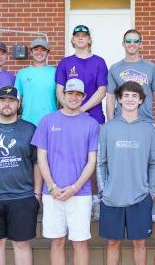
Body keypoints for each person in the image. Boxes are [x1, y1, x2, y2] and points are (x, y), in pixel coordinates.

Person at [31, 78, 99, 265]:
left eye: (78, 94)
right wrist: (52, 187)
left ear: (83, 97)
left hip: (80, 193)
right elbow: (41, 158)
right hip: (53, 193)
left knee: (80, 243)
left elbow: (91, 161)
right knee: (57, 241)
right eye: (70, 93)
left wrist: (75, 188)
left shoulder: (91, 124)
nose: (74, 98)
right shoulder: (47, 121)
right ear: (62, 95)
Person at [98, 81, 155, 265]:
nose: (130, 99)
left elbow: (154, 163)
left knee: (140, 243)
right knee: (113, 243)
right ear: (119, 99)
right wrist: (103, 191)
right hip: (112, 197)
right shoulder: (107, 128)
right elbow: (101, 163)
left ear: (141, 100)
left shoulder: (149, 128)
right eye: (126, 95)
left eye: (134, 95)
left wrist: (151, 193)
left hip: (140, 197)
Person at [55, 24, 108, 219]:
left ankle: (99, 200)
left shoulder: (99, 62)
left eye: (84, 36)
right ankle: (75, 196)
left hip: (94, 118)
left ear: (89, 40)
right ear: (72, 39)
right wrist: (71, 110)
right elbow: (59, 91)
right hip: (69, 120)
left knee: (97, 161)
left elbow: (102, 91)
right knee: (75, 160)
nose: (80, 38)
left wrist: (81, 109)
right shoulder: (65, 63)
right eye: (77, 35)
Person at [0, 86, 41, 265]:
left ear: (18, 104)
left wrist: (37, 194)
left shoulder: (30, 129)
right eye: (2, 100)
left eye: (11, 100)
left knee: (21, 244)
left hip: (22, 197)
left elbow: (38, 163)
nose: (6, 104)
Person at [106, 29, 155, 125]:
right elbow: (111, 96)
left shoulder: (151, 67)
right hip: (121, 121)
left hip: (145, 120)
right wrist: (110, 121)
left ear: (140, 44)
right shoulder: (115, 68)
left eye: (136, 41)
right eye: (128, 41)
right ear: (123, 44)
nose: (132, 44)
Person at [14, 38, 57, 126]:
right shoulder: (22, 73)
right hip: (27, 121)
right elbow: (18, 98)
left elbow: (61, 98)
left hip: (51, 120)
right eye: (36, 49)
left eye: (43, 50)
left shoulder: (56, 72)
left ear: (48, 52)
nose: (39, 52)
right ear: (31, 52)